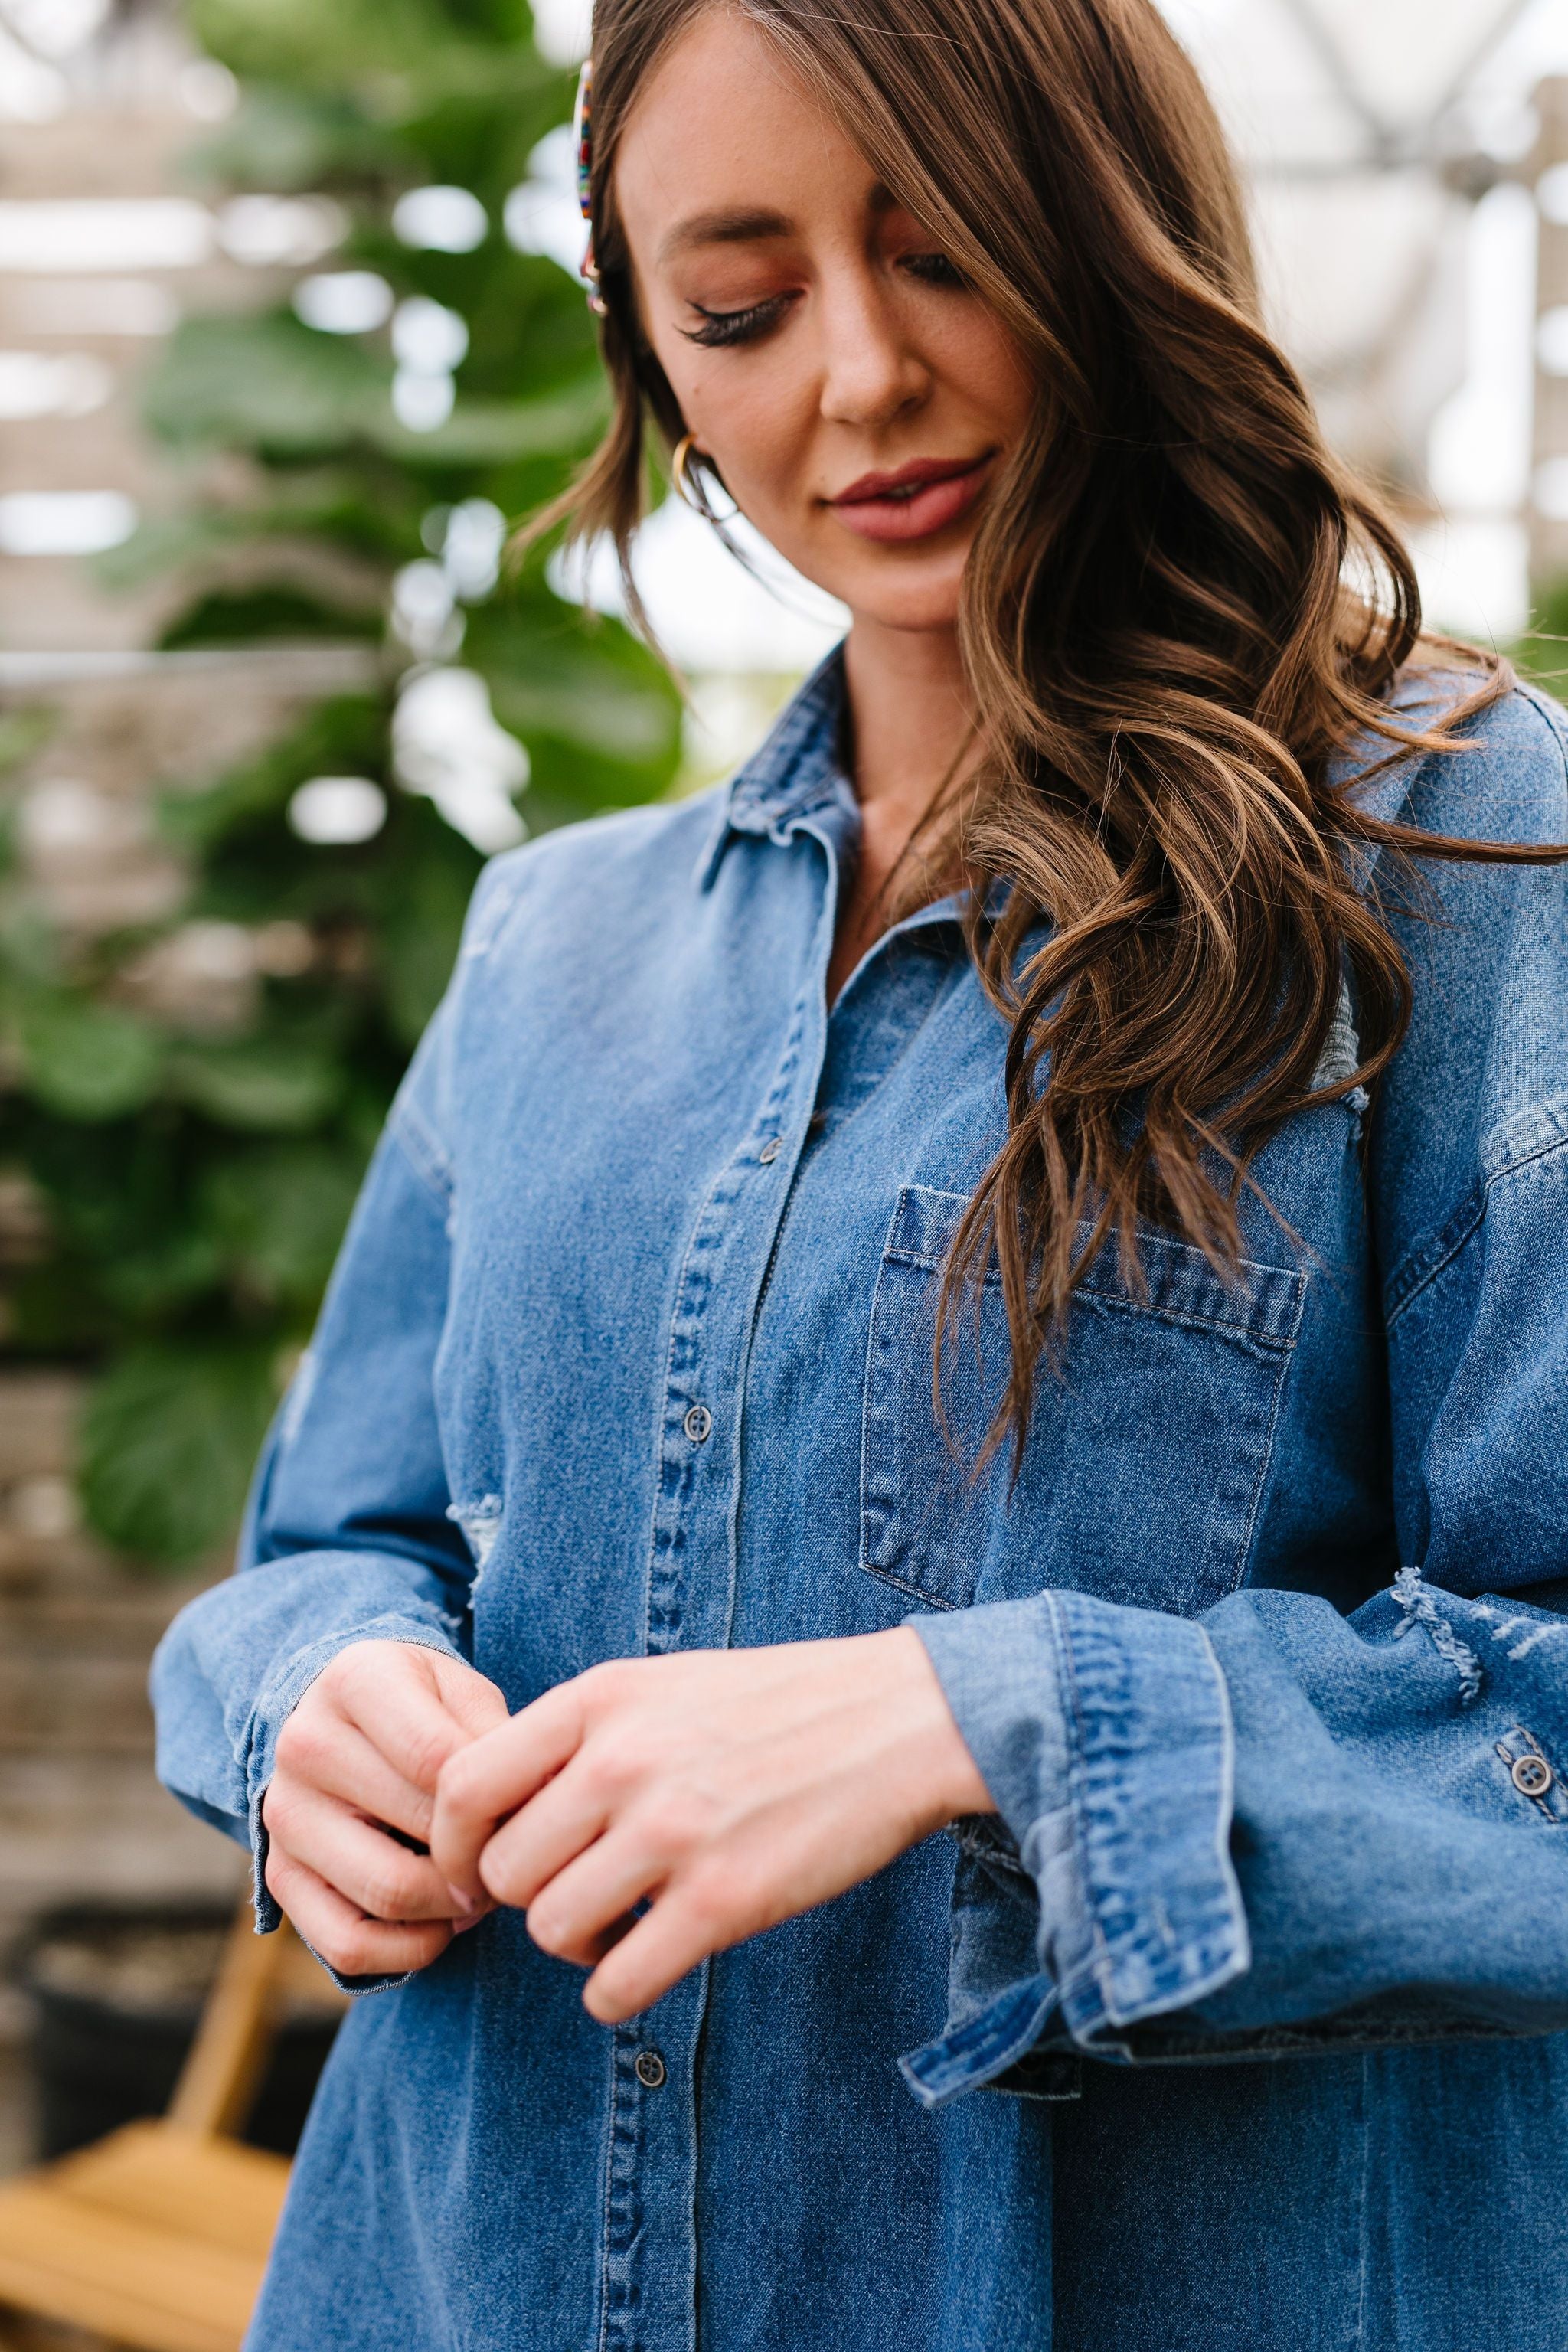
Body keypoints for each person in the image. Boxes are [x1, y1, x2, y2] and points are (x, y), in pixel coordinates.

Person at [152, 2, 1568, 2345]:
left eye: (946, 254)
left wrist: (967, 1715)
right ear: (651, 350)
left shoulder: (1468, 853)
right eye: (741, 301)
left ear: (1114, 240)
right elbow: (331, 1542)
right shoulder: (559, 939)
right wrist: (318, 1706)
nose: (861, 379)